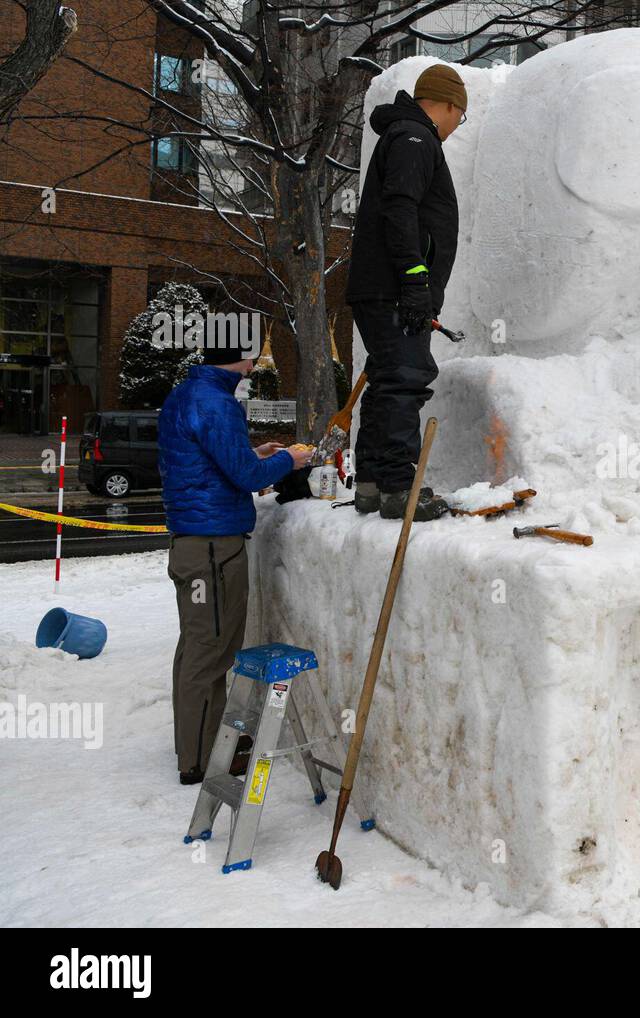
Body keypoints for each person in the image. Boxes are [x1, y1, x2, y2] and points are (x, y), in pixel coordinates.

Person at [158, 340, 311, 784]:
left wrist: (255, 454)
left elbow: (216, 463)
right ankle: (203, 760)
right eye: (253, 352)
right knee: (211, 651)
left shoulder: (188, 393)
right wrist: (289, 459)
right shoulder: (215, 401)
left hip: (193, 542)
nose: (257, 360)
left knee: (194, 647)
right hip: (213, 548)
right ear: (240, 357)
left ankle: (196, 744)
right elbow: (245, 478)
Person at [345, 64, 466, 521]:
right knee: (405, 379)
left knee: (387, 380)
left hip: (380, 287)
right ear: (450, 104)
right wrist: (416, 279)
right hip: (395, 288)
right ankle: (399, 489)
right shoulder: (416, 138)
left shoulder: (401, 135)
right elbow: (401, 210)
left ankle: (372, 486)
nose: (457, 126)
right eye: (460, 116)